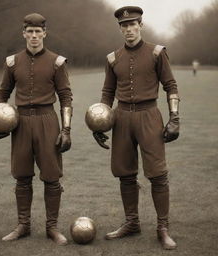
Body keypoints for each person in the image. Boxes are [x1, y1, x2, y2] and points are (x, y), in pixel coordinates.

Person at [93, 6, 179, 250]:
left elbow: (170, 85)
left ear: (141, 25)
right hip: (121, 118)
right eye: (124, 26)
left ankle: (163, 228)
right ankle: (132, 223)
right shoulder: (113, 58)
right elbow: (108, 93)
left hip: (149, 115)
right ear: (120, 29)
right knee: (125, 172)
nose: (129, 29)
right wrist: (100, 120)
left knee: (157, 174)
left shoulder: (157, 52)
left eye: (133, 24)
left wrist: (175, 117)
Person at [0, 13, 72, 246]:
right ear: (24, 33)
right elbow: (2, 94)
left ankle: (52, 227)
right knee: (22, 176)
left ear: (45, 33)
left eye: (38, 31)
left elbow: (65, 97)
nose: (34, 36)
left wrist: (66, 129)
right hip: (20, 122)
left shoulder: (57, 62)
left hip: (47, 120)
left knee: (51, 177)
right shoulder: (12, 62)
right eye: (29, 32)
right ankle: (23, 225)